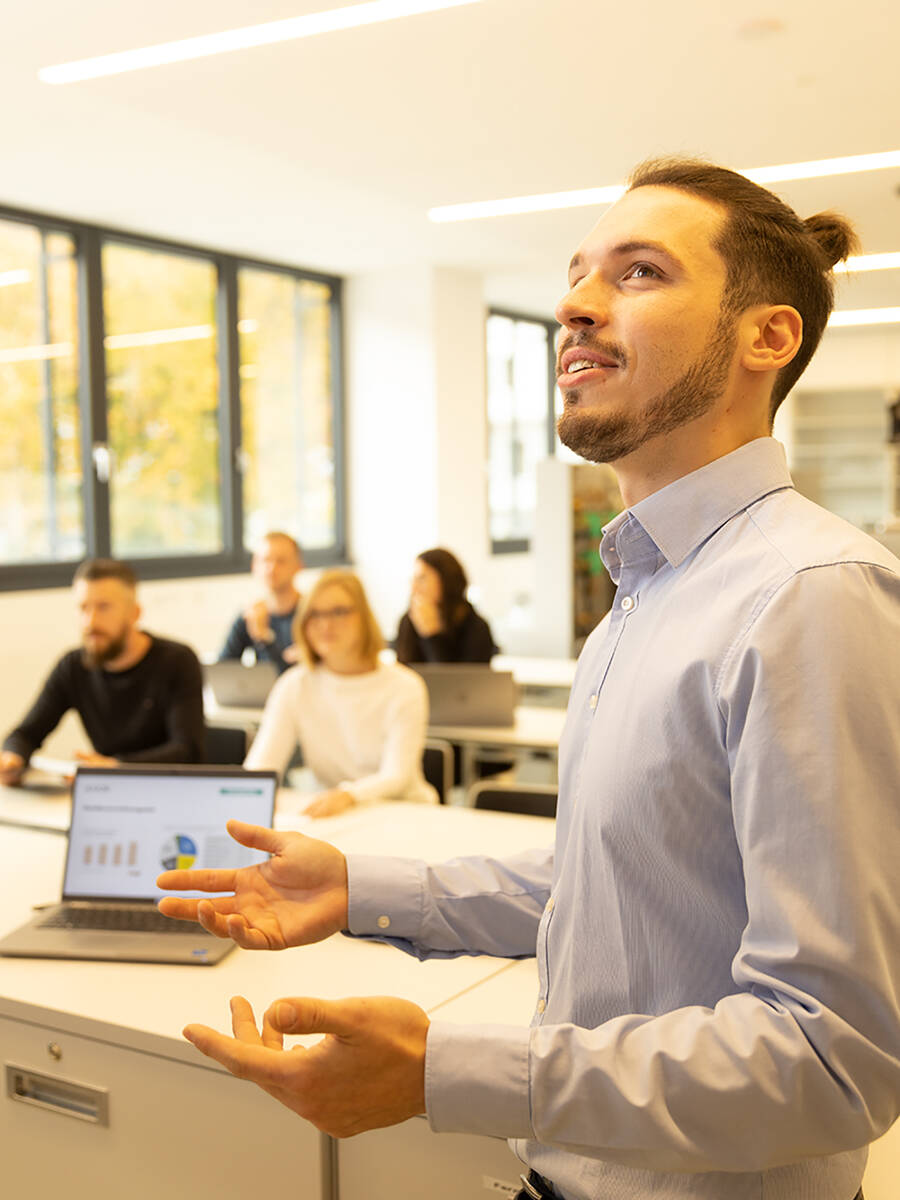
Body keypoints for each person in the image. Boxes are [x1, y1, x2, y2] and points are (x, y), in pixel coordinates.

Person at [157, 159, 900, 1200]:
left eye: (639, 272)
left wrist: (445, 1072)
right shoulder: (648, 593)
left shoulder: (809, 596)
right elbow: (617, 882)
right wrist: (361, 889)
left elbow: (829, 1062)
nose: (574, 305)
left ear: (766, 338)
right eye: (577, 274)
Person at [244, 568, 436, 816]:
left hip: (404, 812)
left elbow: (396, 776)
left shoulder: (404, 686)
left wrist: (349, 795)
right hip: (335, 816)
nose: (325, 624)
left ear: (364, 617)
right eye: (315, 614)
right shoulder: (294, 685)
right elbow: (260, 767)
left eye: (339, 612)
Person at [1, 559, 204, 784]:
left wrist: (117, 768)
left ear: (135, 613)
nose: (90, 621)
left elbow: (187, 750)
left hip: (168, 790)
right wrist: (13, 758)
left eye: (103, 607)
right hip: (105, 790)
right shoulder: (72, 666)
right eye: (83, 608)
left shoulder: (177, 661)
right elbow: (25, 734)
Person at [394, 547, 498, 664]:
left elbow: (456, 675)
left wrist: (432, 636)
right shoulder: (408, 621)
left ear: (446, 579)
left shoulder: (476, 627)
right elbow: (403, 669)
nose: (414, 588)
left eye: (422, 579)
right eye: (413, 580)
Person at [219, 532, 303, 674]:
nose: (272, 568)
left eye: (281, 561)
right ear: (254, 566)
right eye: (265, 560)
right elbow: (222, 670)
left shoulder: (313, 615)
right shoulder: (250, 615)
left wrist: (265, 638)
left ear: (299, 566)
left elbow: (290, 677)